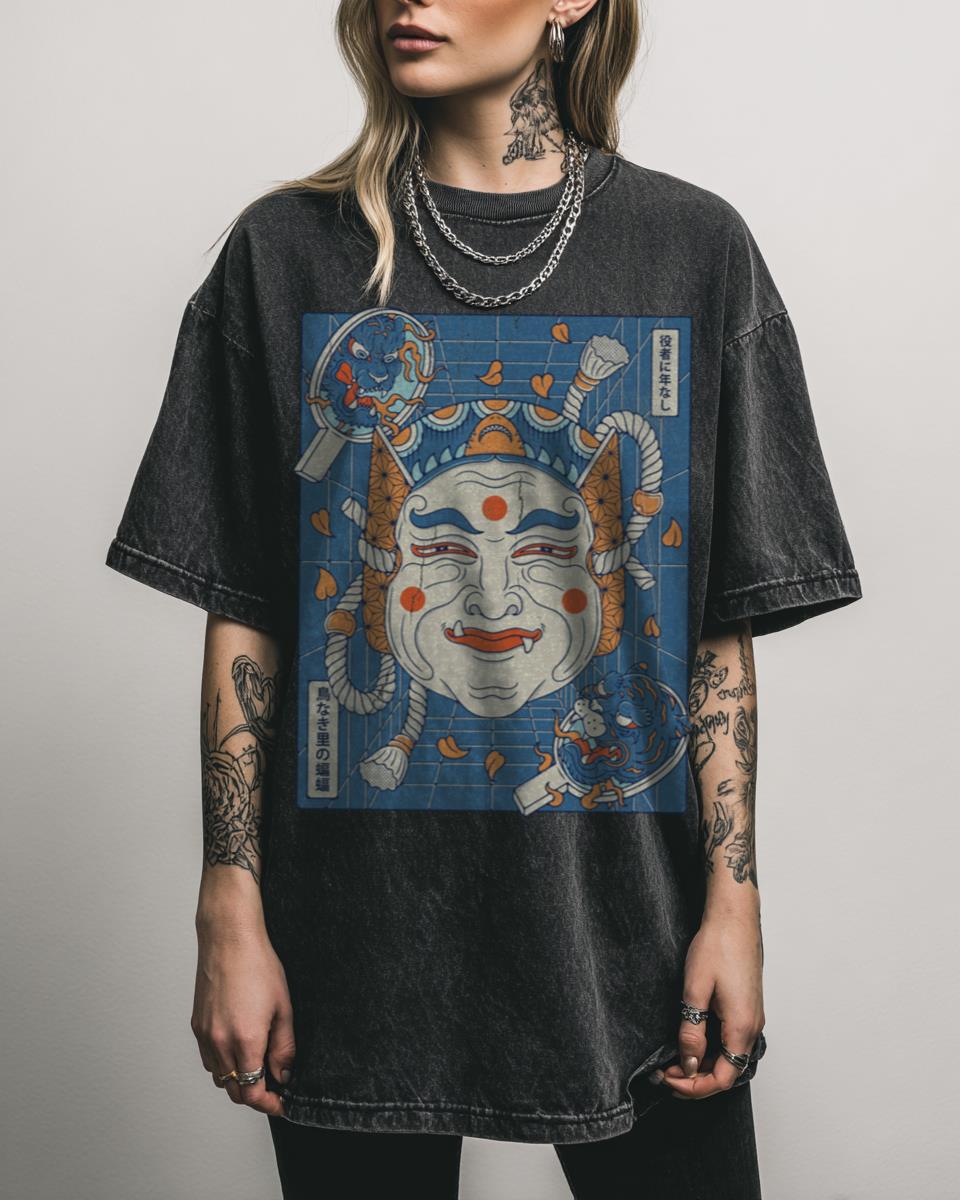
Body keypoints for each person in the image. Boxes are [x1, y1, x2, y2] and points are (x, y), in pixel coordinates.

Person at [103, 0, 864, 1196]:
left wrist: (735, 903)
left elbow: (715, 632)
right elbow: (244, 608)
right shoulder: (284, 252)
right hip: (352, 951)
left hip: (633, 938)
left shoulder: (694, 248)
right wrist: (229, 907)